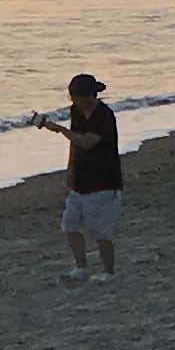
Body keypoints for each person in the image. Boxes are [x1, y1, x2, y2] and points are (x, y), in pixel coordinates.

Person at [28, 71, 123, 281]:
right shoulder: (77, 112)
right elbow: (76, 143)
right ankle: (81, 267)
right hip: (80, 179)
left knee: (101, 230)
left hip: (104, 181)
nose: (74, 103)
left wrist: (60, 129)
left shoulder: (104, 116)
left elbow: (87, 142)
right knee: (70, 224)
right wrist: (70, 169)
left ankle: (108, 271)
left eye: (76, 98)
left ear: (88, 96)